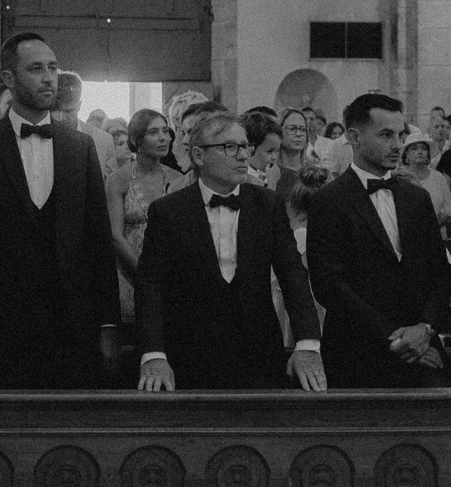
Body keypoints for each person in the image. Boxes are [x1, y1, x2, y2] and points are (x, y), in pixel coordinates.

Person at [0, 32, 120, 389]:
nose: (48, 77)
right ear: (9, 79)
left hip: (73, 326)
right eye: (36, 68)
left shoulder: (80, 147)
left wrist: (107, 326)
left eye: (53, 68)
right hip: (3, 326)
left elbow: (98, 243)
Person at [136, 110, 325, 392]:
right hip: (189, 356)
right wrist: (153, 354)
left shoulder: (268, 204)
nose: (242, 155)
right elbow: (151, 284)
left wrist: (307, 343)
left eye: (244, 146)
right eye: (229, 147)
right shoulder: (168, 211)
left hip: (259, 354)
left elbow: (292, 274)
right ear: (199, 156)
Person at [305, 93, 451, 388]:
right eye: (386, 135)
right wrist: (397, 339)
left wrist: (424, 329)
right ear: (354, 138)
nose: (398, 144)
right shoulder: (328, 200)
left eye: (401, 134)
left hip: (423, 352)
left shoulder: (416, 197)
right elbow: (330, 285)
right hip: (357, 355)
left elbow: (441, 273)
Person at [106, 107, 178, 324]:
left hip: (172, 277)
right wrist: (146, 276)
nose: (163, 138)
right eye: (153, 132)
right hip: (130, 276)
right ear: (136, 139)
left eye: (165, 131)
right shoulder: (119, 179)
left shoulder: (177, 178)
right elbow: (116, 236)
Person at [397, 127, 451, 232]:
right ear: (407, 154)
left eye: (423, 148)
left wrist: (436, 222)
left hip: (436, 232)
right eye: (414, 148)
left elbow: (449, 208)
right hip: (406, 232)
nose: (420, 152)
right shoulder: (400, 177)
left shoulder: (438, 177)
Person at [242, 108, 283, 190]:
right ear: (250, 148)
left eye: (277, 150)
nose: (274, 157)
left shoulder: (276, 175)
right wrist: (272, 184)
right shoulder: (242, 180)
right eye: (269, 151)